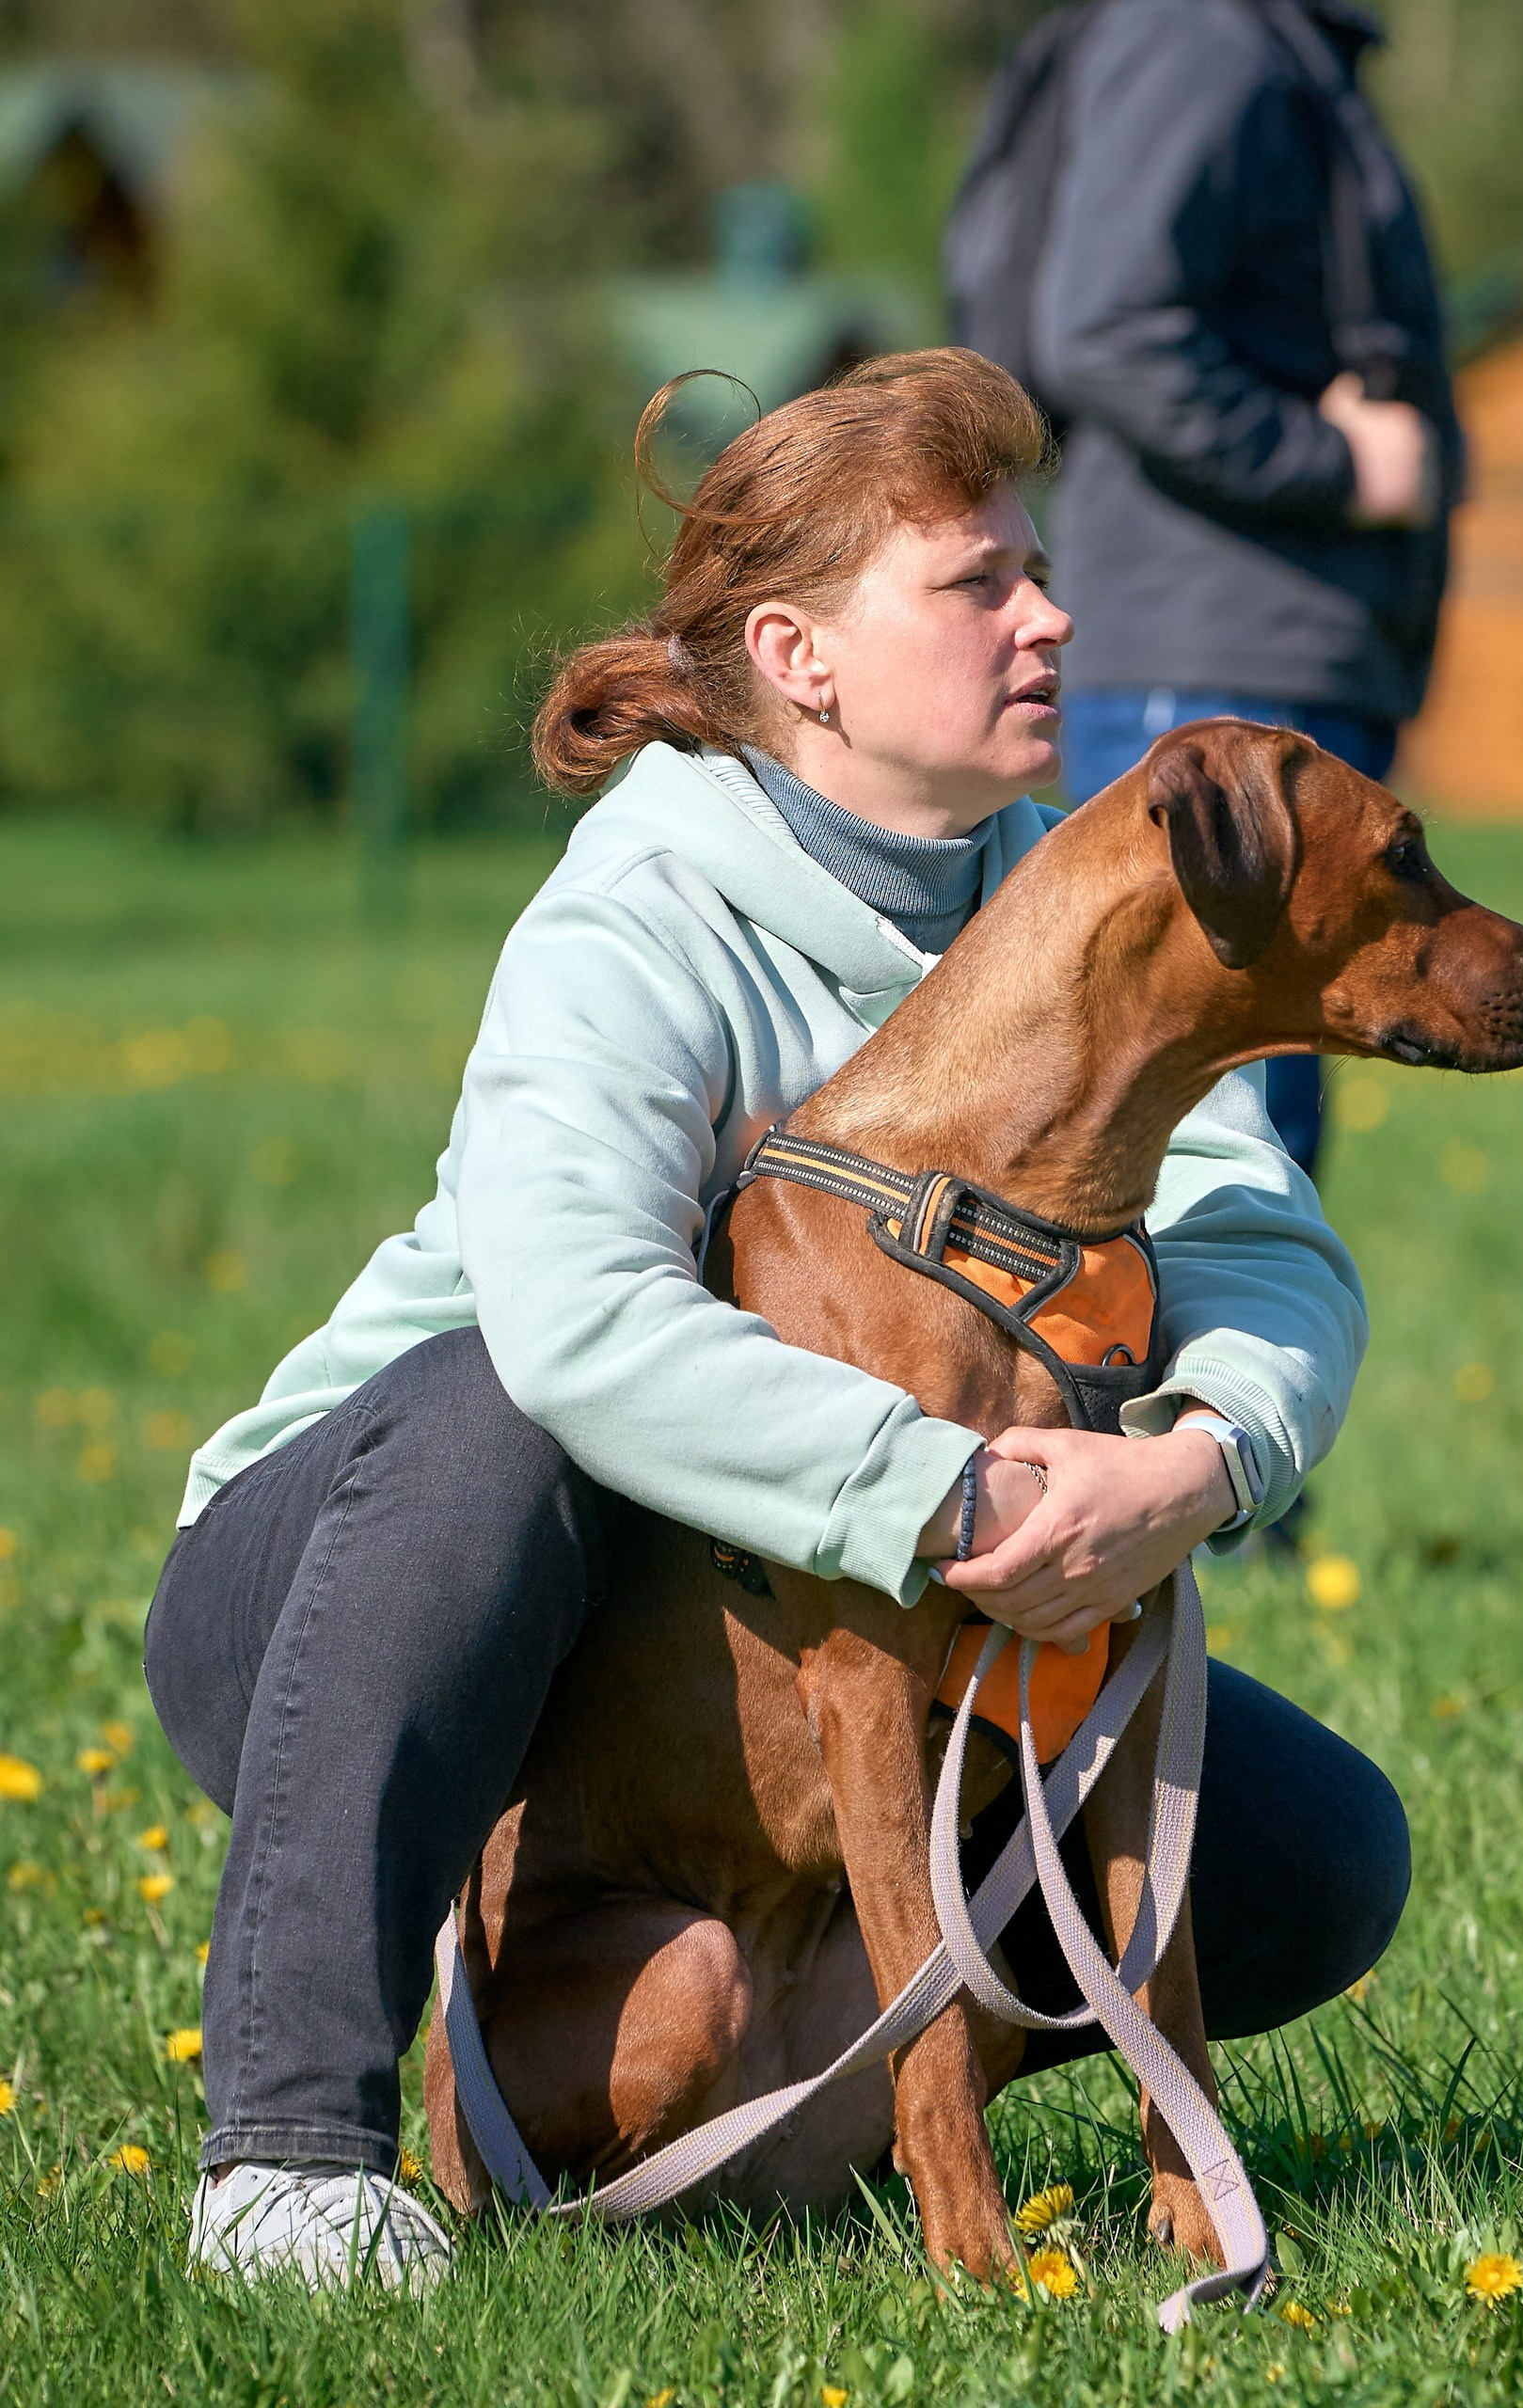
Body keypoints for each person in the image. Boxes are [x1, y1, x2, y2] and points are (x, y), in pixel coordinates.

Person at [142, 350, 1406, 2294]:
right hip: (353, 1602)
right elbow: (572, 1326)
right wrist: (955, 1490)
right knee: (501, 1406)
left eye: (1036, 568)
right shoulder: (637, 913)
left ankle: (817, 2062)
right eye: (975, 583)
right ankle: (290, 2152)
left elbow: (1257, 1233)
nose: (1048, 615)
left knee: (1305, 1848)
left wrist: (1198, 1454)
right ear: (796, 654)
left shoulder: (1060, 885)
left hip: (745, 1629)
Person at [1026, 0, 1461, 1178]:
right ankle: (1162, 1372)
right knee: (1208, 1155)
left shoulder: (1278, 49)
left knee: (1255, 1143)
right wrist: (1337, 465)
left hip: (1268, 644)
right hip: (1212, 659)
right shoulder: (1200, 37)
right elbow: (1108, 326)